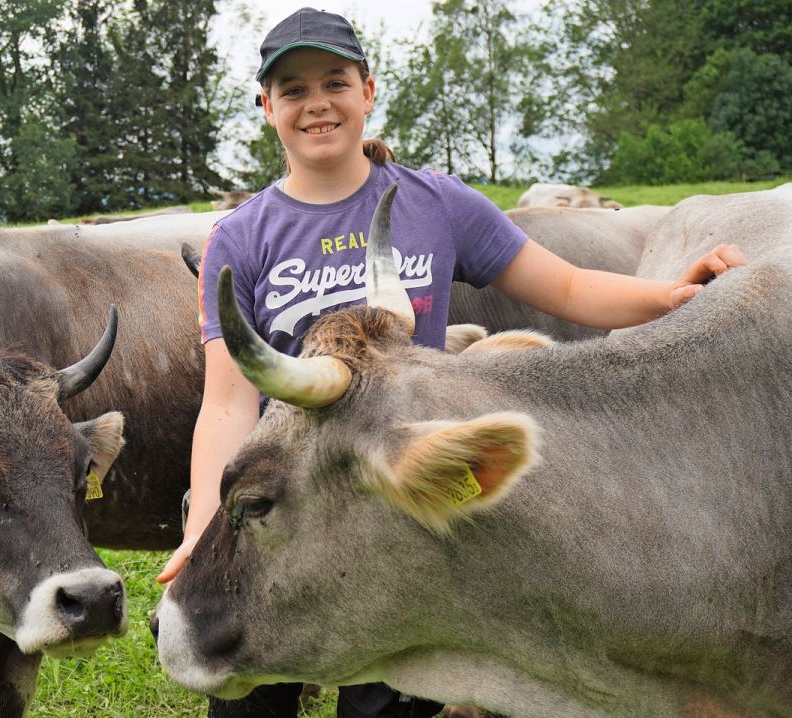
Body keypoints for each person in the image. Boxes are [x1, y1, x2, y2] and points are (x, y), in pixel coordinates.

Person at [156, 7, 747, 718]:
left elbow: (562, 286)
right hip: (286, 500)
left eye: (334, 82)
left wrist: (673, 293)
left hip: (392, 501)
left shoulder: (436, 203)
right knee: (250, 691)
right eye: (292, 89)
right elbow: (227, 403)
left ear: (368, 91)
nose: (317, 103)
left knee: (389, 696)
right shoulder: (238, 237)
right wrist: (203, 527)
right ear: (266, 108)